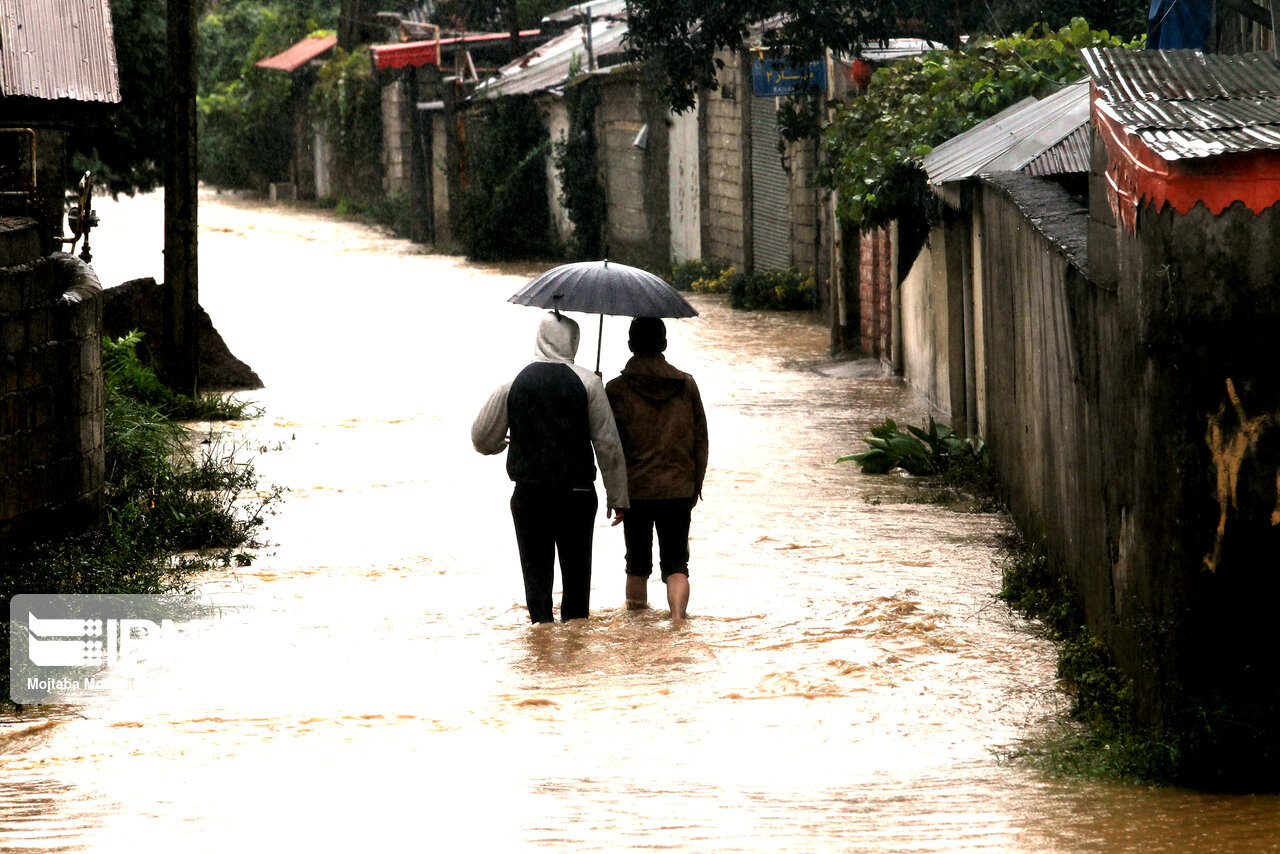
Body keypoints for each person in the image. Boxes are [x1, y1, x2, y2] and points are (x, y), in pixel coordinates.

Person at [471, 311, 629, 624]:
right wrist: (618, 496)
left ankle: (541, 638)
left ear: (540, 338)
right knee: (577, 577)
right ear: (573, 341)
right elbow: (608, 445)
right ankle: (574, 647)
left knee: (536, 576)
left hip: (530, 494)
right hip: (578, 494)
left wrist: (501, 444)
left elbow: (481, 437)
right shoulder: (589, 382)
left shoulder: (513, 383)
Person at [605, 317, 708, 620]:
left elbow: (610, 447)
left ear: (630, 346)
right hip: (678, 487)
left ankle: (637, 634)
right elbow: (700, 439)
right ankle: (678, 620)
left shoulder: (616, 390)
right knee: (677, 564)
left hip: (636, 490)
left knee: (637, 564)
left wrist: (616, 494)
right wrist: (695, 485)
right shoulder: (686, 384)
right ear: (664, 345)